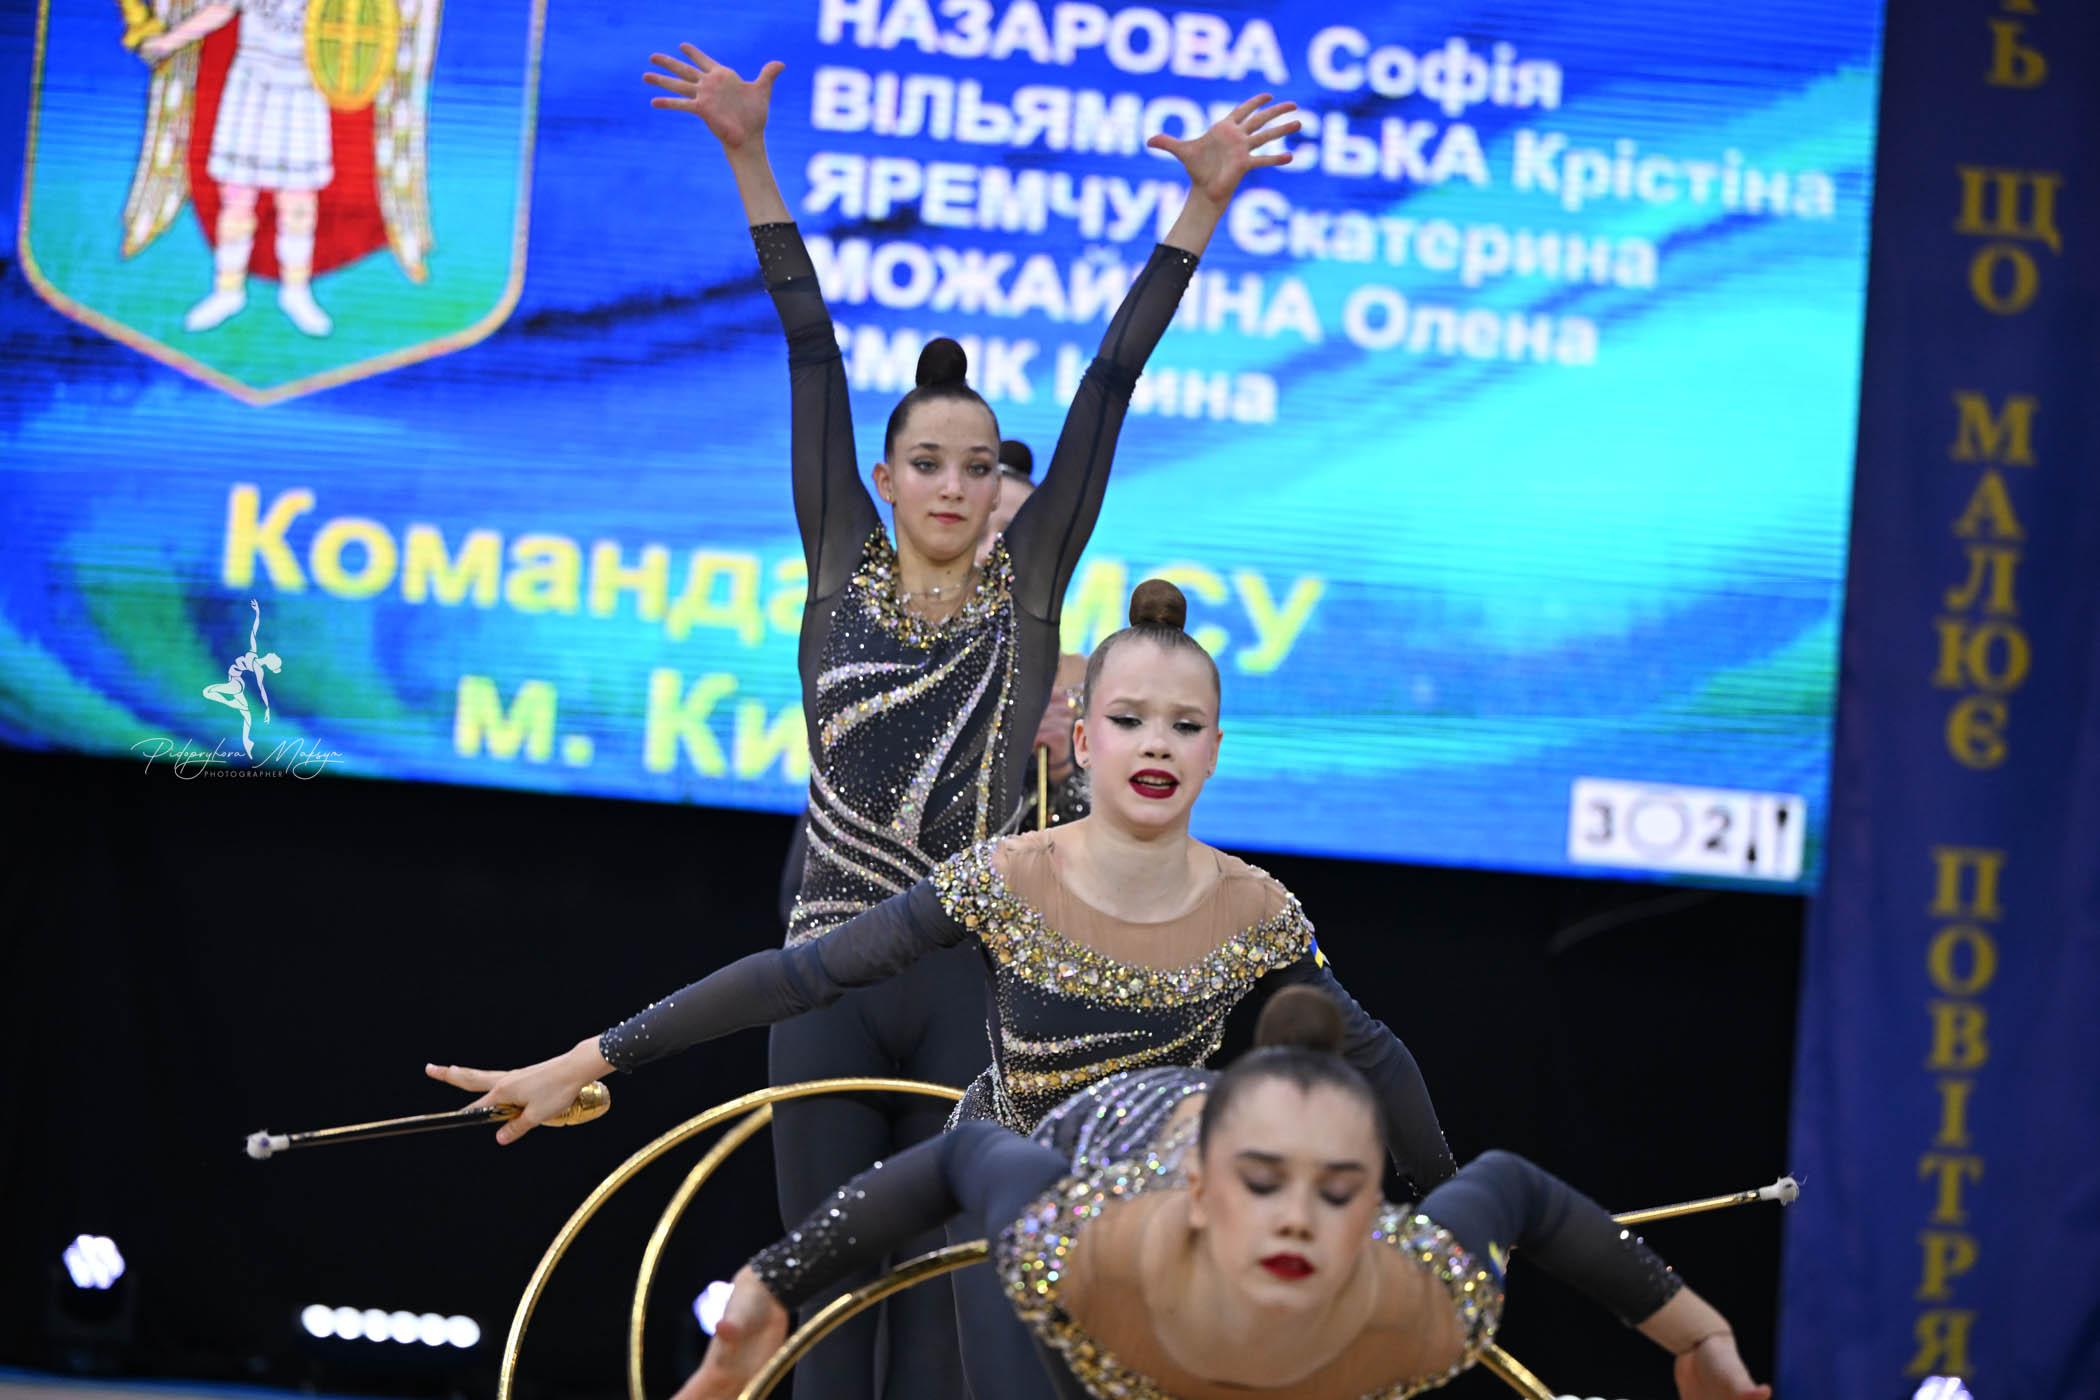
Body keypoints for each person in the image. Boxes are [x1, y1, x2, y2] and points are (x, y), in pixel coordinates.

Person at [631, 46, 1300, 1400]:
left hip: (964, 984)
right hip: (826, 983)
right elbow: (810, 345)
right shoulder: (837, 569)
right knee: (825, 1301)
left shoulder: (1030, 596)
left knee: (949, 1300)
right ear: (884, 476)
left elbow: (1108, 385)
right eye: (928, 463)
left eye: (979, 466)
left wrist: (1203, 207)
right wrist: (747, 154)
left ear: (1003, 486)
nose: (953, 484)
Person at [677, 986, 1775, 1400]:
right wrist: (771, 1290)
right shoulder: (1081, 1249)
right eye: (1262, 1184)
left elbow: (1513, 1191)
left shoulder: (1423, 1302)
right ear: (1205, 1190)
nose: (1297, 1215)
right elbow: (968, 1159)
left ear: (1375, 1215)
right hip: (1111, 1161)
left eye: (1338, 1193)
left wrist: (1702, 1337)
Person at [202, 598, 280, 759]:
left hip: (236, 684)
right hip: (236, 682)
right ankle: (247, 743)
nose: (273, 654)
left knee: (208, 692)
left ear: (270, 662)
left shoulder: (258, 668)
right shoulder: (254, 653)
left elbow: (261, 689)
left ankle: (232, 705)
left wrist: (267, 709)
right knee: (246, 715)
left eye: (274, 657)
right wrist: (257, 613)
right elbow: (254, 631)